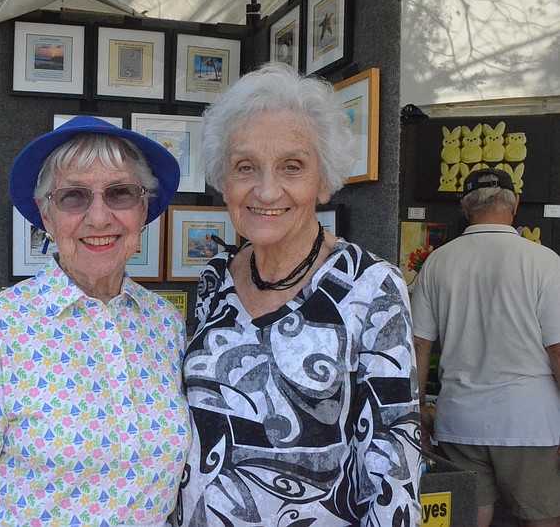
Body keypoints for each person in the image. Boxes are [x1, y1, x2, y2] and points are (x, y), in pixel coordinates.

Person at [174, 63, 421, 526]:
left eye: (292, 166)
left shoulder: (370, 287)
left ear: (323, 181)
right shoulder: (214, 281)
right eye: (245, 167)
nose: (266, 190)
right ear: (223, 182)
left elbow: (395, 461)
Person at [0, 116, 191, 526]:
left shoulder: (165, 324)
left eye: (119, 194)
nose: (99, 218)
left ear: (144, 210)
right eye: (73, 198)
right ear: (46, 218)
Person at [412, 168, 560, 527]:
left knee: (468, 516)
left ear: (465, 208)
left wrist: (419, 412)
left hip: (460, 420)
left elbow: (418, 343)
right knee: (540, 517)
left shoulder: (437, 263)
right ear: (516, 206)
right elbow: (558, 350)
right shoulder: (545, 262)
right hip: (529, 424)